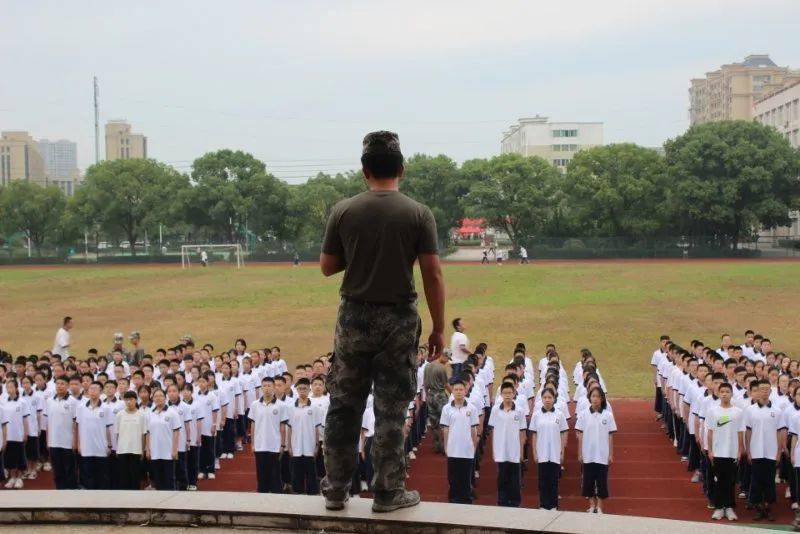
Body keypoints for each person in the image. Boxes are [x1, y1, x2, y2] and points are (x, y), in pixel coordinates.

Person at [319, 131, 445, 513]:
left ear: (364, 171)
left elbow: (327, 267)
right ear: (401, 169)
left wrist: (358, 253)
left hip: (354, 317)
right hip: (398, 320)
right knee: (392, 406)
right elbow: (432, 274)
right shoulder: (418, 213)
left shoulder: (344, 210)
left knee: (344, 403)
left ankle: (337, 488)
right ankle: (388, 491)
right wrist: (439, 327)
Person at [706, 382, 745, 521]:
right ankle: (719, 507)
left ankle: (729, 507)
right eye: (722, 391)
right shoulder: (712, 411)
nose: (724, 394)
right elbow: (710, 432)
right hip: (718, 451)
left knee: (730, 480)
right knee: (719, 480)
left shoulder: (738, 412)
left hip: (732, 452)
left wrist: (740, 450)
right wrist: (710, 450)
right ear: (718, 393)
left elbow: (741, 432)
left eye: (727, 391)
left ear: (731, 394)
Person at [745, 379, 781, 521]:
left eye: (767, 389)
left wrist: (779, 451)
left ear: (770, 391)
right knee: (756, 480)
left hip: (771, 452)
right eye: (762, 389)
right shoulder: (750, 410)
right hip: (756, 451)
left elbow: (779, 432)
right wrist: (748, 450)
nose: (765, 391)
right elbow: (748, 431)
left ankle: (768, 507)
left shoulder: (777, 411)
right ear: (757, 391)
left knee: (769, 481)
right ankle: (758, 507)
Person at [575, 387, 616, 514]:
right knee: (588, 481)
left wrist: (611, 454)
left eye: (598, 396)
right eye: (593, 396)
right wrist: (580, 452)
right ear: (589, 398)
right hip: (588, 454)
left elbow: (610, 435)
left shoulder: (608, 415)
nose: (595, 399)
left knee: (601, 481)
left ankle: (599, 507)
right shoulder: (583, 415)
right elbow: (580, 434)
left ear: (602, 398)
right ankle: (591, 505)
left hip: (602, 455)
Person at [488, 382, 526, 507]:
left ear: (514, 394)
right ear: (501, 394)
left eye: (510, 393)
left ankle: (515, 501)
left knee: (515, 478)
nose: (507, 395)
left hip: (514, 449)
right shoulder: (495, 410)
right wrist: (494, 449)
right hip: (501, 449)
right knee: (502, 476)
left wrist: (521, 450)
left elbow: (522, 432)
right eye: (505, 393)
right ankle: (502, 501)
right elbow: (493, 430)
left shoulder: (519, 411)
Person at [440, 380, 479, 504]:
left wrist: (473, 446)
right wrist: (446, 446)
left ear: (465, 391)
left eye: (461, 389)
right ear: (452, 391)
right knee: (453, 478)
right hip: (453, 449)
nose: (458, 392)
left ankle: (466, 502)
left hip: (467, 450)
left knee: (465, 479)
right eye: (455, 389)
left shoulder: (472, 408)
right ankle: (453, 501)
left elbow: (474, 430)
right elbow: (445, 429)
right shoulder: (446, 408)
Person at [530, 387, 568, 510]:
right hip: (542, 452)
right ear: (541, 399)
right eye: (545, 397)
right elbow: (534, 434)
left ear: (554, 399)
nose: (547, 400)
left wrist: (562, 450)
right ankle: (543, 504)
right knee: (543, 481)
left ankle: (553, 505)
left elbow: (563, 433)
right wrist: (534, 452)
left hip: (555, 453)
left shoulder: (559, 414)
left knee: (553, 480)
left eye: (550, 397)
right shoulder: (536, 415)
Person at [249, 377, 288, 493]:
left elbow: (282, 427)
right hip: (260, 445)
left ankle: (276, 499)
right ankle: (262, 497)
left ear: (274, 387)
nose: (267, 388)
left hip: (274, 445)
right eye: (264, 386)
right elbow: (253, 424)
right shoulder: (255, 404)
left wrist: (282, 444)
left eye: (269, 385)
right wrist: (252, 444)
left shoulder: (281, 405)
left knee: (275, 474)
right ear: (261, 388)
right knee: (261, 474)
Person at [76, 381, 113, 489]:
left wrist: (109, 445)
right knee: (88, 475)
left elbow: (107, 428)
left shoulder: (106, 408)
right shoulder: (81, 407)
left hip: (101, 447)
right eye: (91, 389)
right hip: (86, 447)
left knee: (101, 476)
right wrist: (78, 444)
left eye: (95, 389)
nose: (92, 391)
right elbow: (78, 426)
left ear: (101, 392)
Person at [286, 378, 319, 495]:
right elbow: (289, 428)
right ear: (296, 390)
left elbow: (316, 428)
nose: (302, 391)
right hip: (296, 445)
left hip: (309, 446)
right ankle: (297, 492)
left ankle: (313, 493)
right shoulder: (291, 408)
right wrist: (289, 446)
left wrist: (316, 445)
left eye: (305, 388)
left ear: (309, 390)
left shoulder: (314, 408)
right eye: (300, 388)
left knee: (311, 472)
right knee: (296, 472)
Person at [44, 376, 78, 489]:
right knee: (57, 470)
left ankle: (71, 493)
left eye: (62, 383)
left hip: (68, 442)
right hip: (54, 441)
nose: (59, 386)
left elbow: (76, 422)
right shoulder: (49, 401)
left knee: (69, 470)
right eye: (57, 383)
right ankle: (59, 492)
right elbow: (48, 422)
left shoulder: (73, 402)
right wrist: (48, 440)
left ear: (67, 386)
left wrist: (75, 441)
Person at [145, 388, 180, 491]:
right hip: (155, 452)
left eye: (161, 396)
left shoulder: (172, 412)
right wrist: (148, 448)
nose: (158, 398)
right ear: (153, 398)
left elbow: (176, 432)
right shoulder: (150, 414)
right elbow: (148, 432)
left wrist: (174, 449)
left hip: (168, 452)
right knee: (157, 479)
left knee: (169, 479)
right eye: (156, 396)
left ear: (165, 398)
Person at [2, 378, 30, 489]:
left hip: (18, 434)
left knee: (19, 457)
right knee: (9, 458)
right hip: (8, 435)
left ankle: (19, 478)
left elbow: (25, 419)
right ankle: (12, 477)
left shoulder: (22, 402)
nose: (9, 389)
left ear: (16, 388)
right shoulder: (4, 402)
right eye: (7, 387)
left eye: (11, 387)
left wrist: (25, 433)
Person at [115, 390, 146, 490]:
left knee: (135, 475)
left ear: (136, 400)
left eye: (131, 399)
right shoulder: (120, 415)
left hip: (136, 450)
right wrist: (117, 449)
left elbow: (143, 434)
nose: (129, 402)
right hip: (122, 450)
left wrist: (143, 450)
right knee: (123, 476)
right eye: (126, 399)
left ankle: (135, 497)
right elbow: (117, 433)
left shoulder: (141, 415)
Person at [424, 349, 451, 454]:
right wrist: (454, 394)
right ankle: (445, 447)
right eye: (448, 358)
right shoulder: (441, 368)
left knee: (434, 423)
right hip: (440, 397)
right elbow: (446, 385)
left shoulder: (428, 366)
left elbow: (425, 384)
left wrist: (427, 396)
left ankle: (437, 445)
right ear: (444, 356)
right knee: (445, 422)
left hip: (430, 396)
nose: (448, 361)